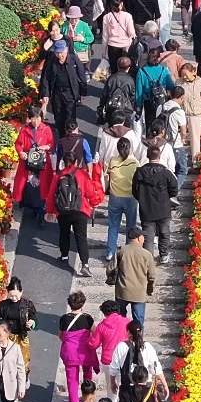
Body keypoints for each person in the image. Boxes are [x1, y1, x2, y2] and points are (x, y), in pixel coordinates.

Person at [49, 148, 104, 276]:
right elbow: (90, 192)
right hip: (80, 210)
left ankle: (64, 258)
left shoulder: (59, 175)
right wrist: (95, 202)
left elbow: (52, 194)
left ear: (64, 162)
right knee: (81, 238)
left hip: (62, 210)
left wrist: (50, 210)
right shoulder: (82, 174)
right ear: (77, 162)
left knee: (64, 234)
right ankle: (85, 264)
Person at [131, 144, 179, 264]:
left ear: (147, 156)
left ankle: (148, 259)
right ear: (159, 156)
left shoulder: (140, 173)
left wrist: (142, 199)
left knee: (148, 236)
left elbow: (134, 191)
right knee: (164, 233)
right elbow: (174, 190)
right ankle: (164, 255)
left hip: (146, 209)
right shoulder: (166, 173)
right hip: (163, 208)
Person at [106, 225, 156, 325]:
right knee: (138, 321)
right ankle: (137, 339)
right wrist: (150, 289)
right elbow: (151, 276)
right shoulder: (147, 254)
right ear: (138, 238)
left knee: (120, 319)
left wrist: (112, 278)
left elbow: (109, 269)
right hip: (139, 292)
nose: (144, 238)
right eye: (143, 236)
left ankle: (121, 338)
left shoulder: (121, 251)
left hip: (122, 291)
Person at [57, 292, 98, 402]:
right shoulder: (87, 318)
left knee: (72, 381)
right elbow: (95, 332)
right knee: (88, 377)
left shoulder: (64, 319)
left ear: (70, 304)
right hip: (85, 351)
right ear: (82, 303)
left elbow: (61, 335)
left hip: (70, 353)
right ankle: (89, 401)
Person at [40, 40, 88, 137]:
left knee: (70, 117)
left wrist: (83, 92)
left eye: (61, 52)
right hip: (57, 93)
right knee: (58, 117)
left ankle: (71, 138)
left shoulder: (73, 59)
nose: (60, 55)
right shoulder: (52, 61)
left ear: (66, 49)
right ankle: (62, 137)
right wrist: (46, 94)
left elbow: (82, 76)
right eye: (57, 52)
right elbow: (46, 78)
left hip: (70, 93)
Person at [103, 136, 140, 263]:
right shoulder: (134, 163)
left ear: (118, 149)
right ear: (129, 149)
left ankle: (110, 252)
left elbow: (107, 176)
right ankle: (128, 252)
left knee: (113, 226)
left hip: (115, 197)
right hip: (130, 197)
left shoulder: (112, 161)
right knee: (130, 226)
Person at [86, 301, 131, 399]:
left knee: (111, 386)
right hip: (125, 358)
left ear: (104, 312)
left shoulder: (102, 325)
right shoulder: (127, 322)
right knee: (125, 385)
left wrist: (87, 338)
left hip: (108, 360)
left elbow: (93, 344)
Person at [0, 279, 38, 370]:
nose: (14, 298)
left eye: (16, 296)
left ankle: (23, 379)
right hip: (7, 337)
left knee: (23, 360)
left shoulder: (27, 304)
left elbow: (34, 318)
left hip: (21, 337)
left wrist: (31, 322)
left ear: (21, 292)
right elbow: (0, 320)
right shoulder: (3, 305)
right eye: (11, 296)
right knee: (7, 361)